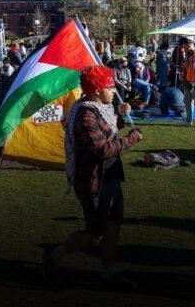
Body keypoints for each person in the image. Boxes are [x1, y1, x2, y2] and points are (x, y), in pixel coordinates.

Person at [42, 65, 143, 288]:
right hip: (93, 181)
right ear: (96, 90)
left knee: (113, 226)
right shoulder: (85, 116)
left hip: (111, 176)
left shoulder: (102, 107)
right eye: (109, 86)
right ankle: (54, 255)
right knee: (96, 232)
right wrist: (131, 139)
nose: (114, 89)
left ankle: (108, 272)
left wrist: (120, 115)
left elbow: (109, 129)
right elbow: (103, 149)